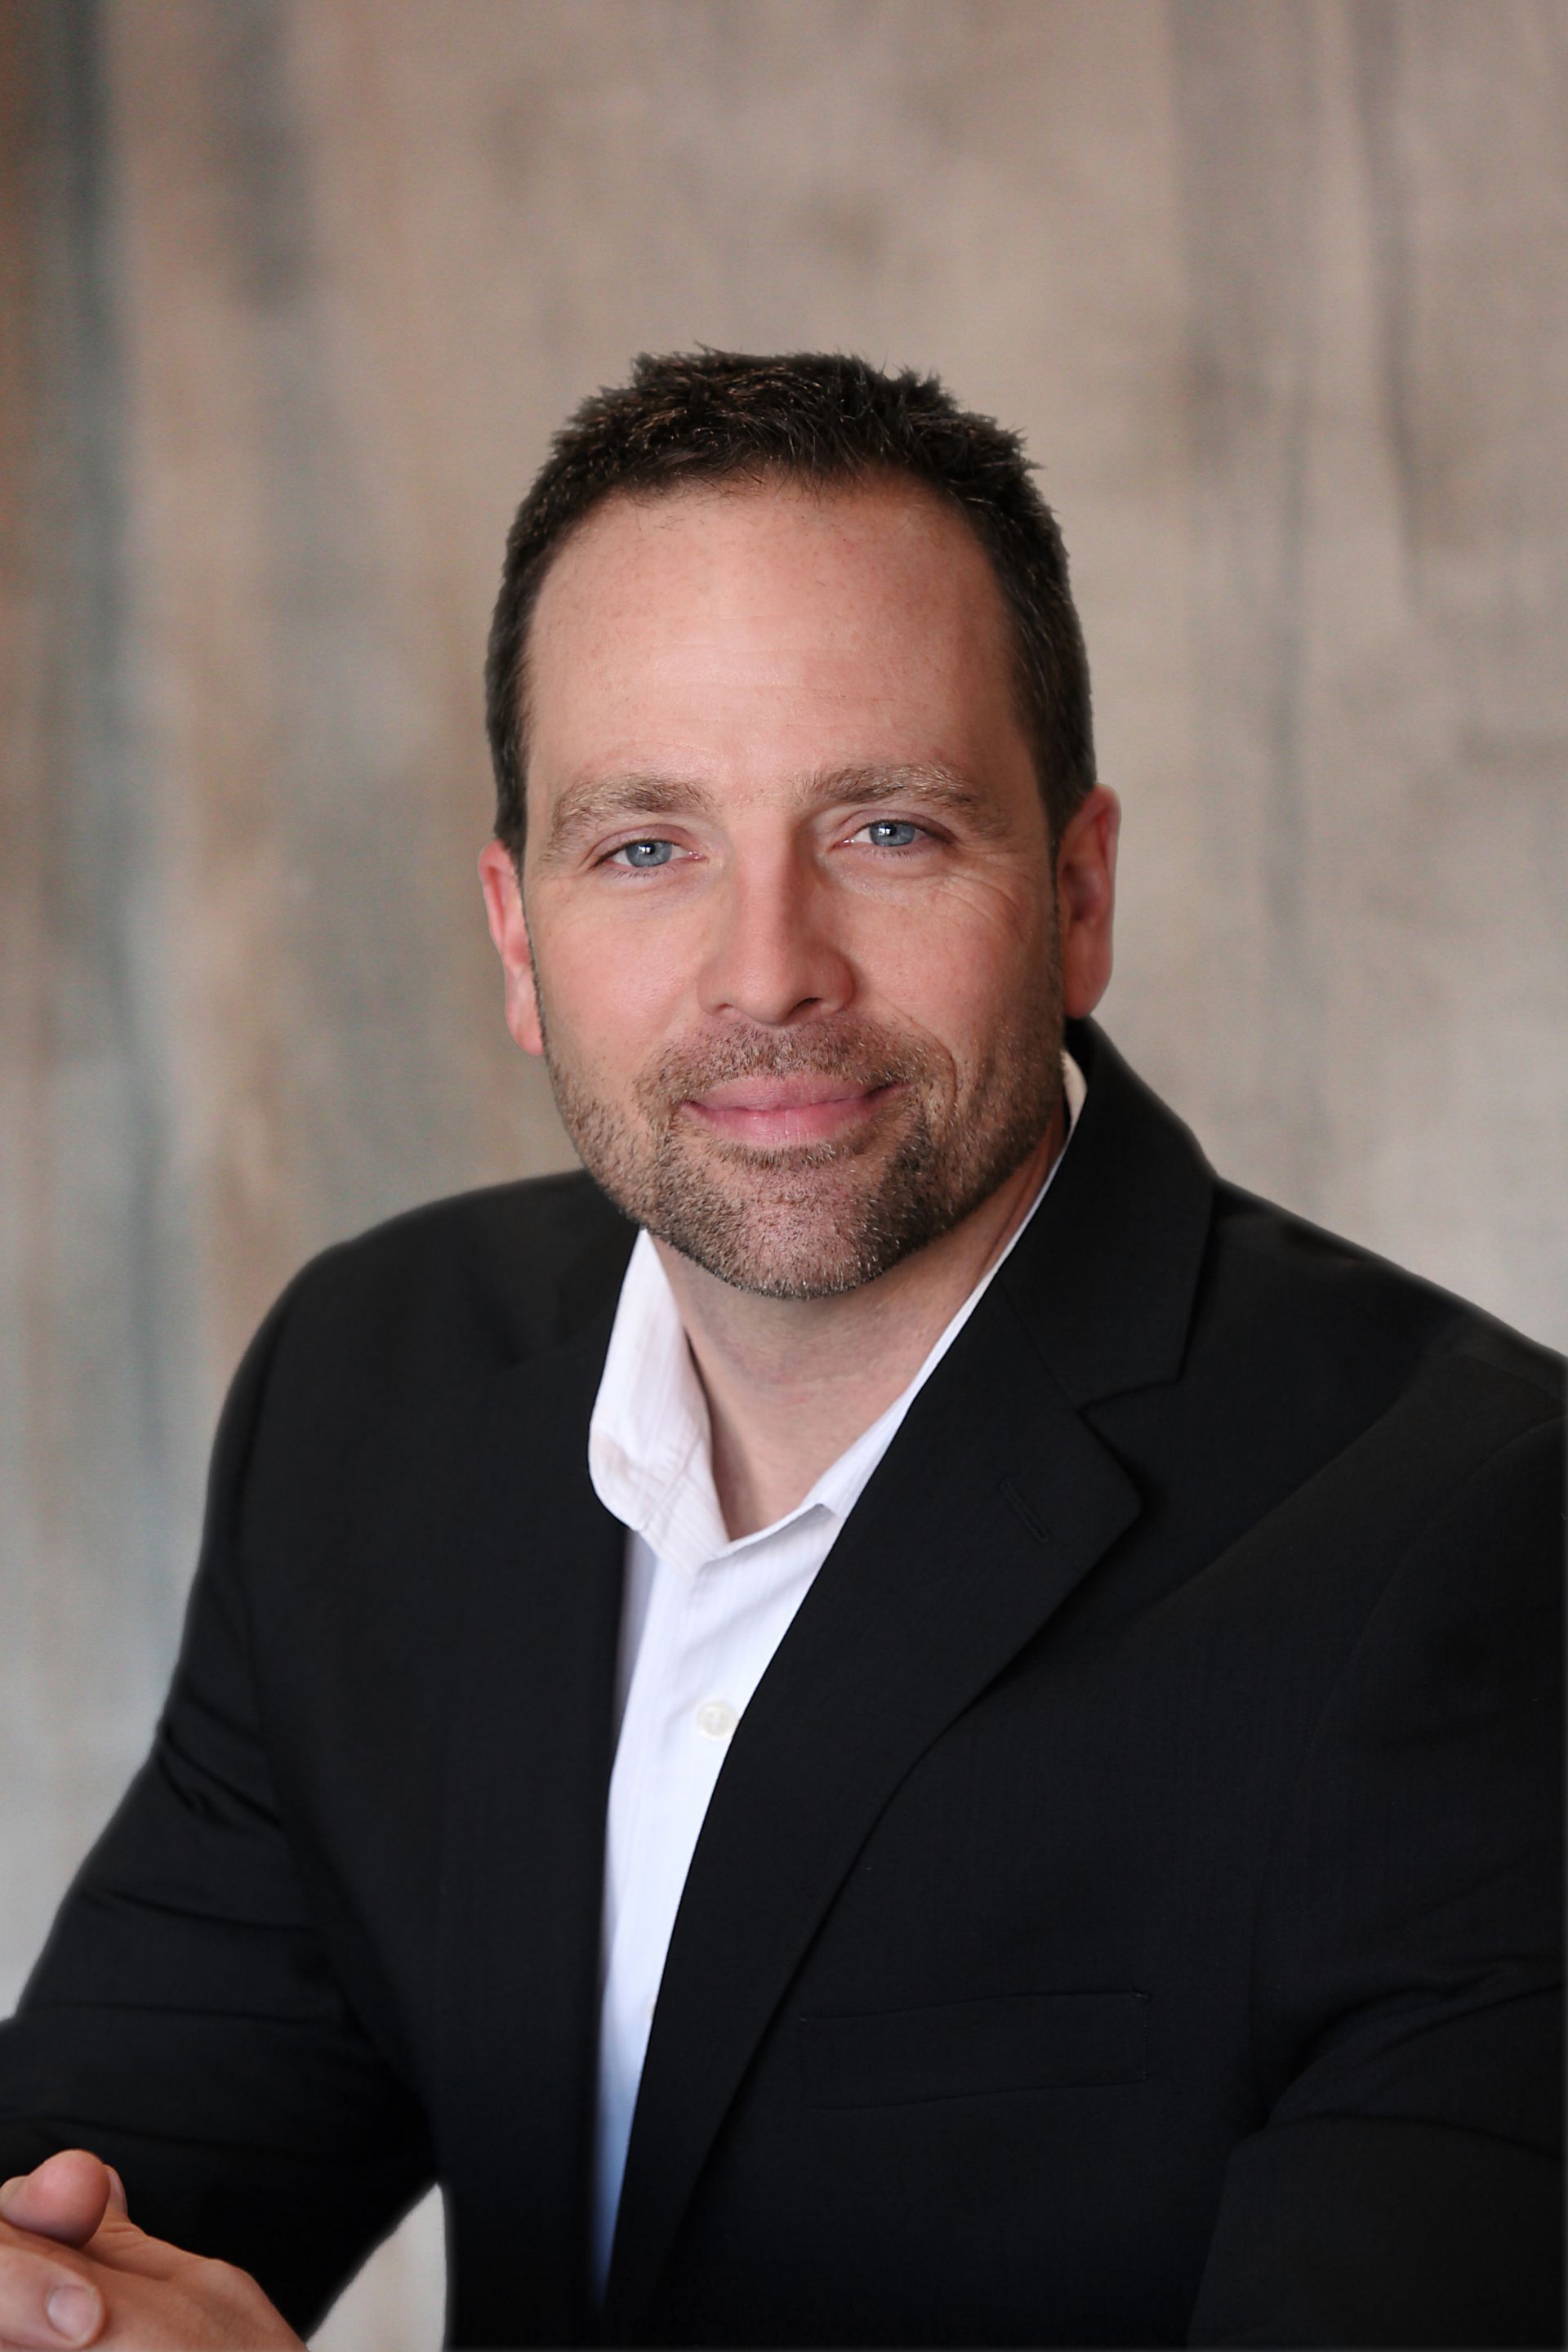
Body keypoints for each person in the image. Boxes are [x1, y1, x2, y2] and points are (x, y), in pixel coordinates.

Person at [0, 350, 1560, 2352]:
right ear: (515, 934)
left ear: (1078, 897)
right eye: (646, 847)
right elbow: (111, 2177)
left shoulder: (1480, 1552)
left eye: (890, 829)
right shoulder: (376, 1395)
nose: (769, 976)